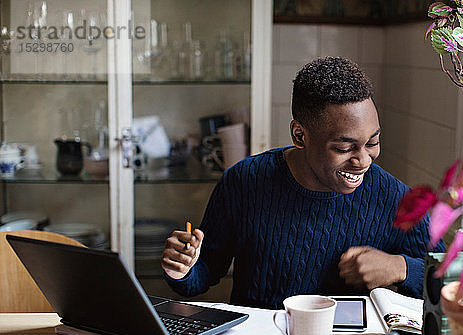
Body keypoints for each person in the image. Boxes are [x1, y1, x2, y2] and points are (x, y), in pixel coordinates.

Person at [161, 56, 445, 309]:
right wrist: (182, 269)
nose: (363, 160)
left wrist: (401, 267)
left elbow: (452, 277)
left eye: (373, 142)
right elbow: (205, 273)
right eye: (344, 148)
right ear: (299, 135)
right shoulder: (244, 182)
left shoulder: (394, 198)